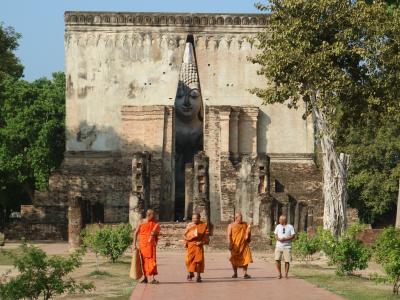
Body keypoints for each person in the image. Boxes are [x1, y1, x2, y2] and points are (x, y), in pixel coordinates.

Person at [133, 209, 161, 284]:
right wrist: (134, 244)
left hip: (151, 245)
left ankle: (152, 278)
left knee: (152, 260)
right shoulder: (141, 222)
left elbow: (157, 232)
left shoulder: (154, 223)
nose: (154, 216)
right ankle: (145, 278)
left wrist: (155, 234)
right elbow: (135, 233)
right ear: (149, 215)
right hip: (143, 244)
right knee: (143, 261)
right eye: (153, 215)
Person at [184, 212, 209, 282]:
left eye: (196, 218)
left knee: (198, 261)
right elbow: (185, 235)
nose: (194, 220)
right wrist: (186, 241)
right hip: (191, 245)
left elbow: (207, 238)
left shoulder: (203, 225)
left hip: (199, 245)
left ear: (199, 218)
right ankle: (190, 273)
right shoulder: (189, 225)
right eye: (193, 218)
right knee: (189, 261)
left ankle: (198, 276)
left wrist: (201, 242)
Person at [227, 212, 253, 279]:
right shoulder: (231, 225)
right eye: (240, 217)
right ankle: (235, 273)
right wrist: (229, 243)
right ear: (236, 218)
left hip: (244, 245)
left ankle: (245, 273)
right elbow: (229, 235)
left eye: (242, 217)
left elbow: (248, 229)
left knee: (246, 258)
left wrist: (251, 217)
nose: (242, 219)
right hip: (235, 245)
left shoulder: (244, 224)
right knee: (234, 259)